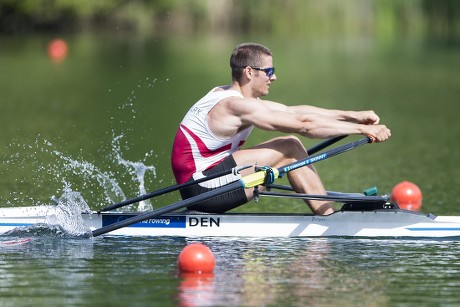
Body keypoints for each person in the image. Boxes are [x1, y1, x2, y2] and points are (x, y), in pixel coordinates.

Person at [171, 42, 391, 215]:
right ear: (249, 72)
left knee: (288, 148)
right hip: (202, 189)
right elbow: (304, 126)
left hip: (207, 182)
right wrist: (362, 131)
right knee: (290, 147)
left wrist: (355, 116)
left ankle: (326, 215)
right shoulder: (236, 105)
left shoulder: (230, 96)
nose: (273, 77)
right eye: (269, 70)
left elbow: (293, 112)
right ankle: (328, 219)